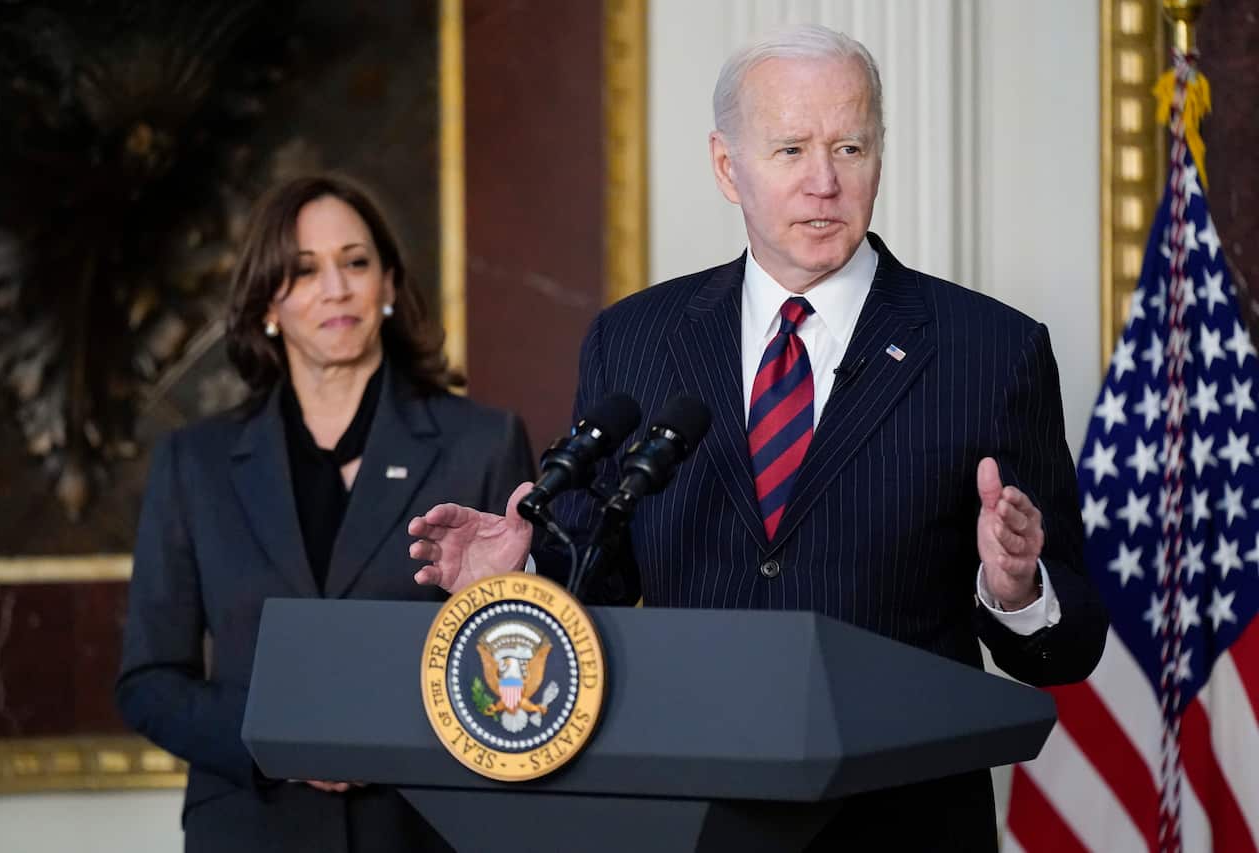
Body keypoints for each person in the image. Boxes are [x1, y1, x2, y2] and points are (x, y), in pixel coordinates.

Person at [407, 25, 1108, 852]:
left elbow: (1069, 648)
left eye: (851, 147)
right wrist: (517, 578)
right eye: (790, 150)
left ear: (880, 154)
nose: (824, 182)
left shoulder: (990, 350)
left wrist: (1017, 586)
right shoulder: (635, 340)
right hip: (692, 812)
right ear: (725, 165)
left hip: (902, 821)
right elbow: (599, 573)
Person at [116, 174, 534, 853]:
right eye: (304, 270)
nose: (336, 288)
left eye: (356, 262)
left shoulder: (481, 444)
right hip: (252, 829)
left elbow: (533, 662)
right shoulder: (194, 462)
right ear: (267, 304)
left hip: (425, 828)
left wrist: (506, 595)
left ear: (390, 285)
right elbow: (148, 682)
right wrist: (280, 737)